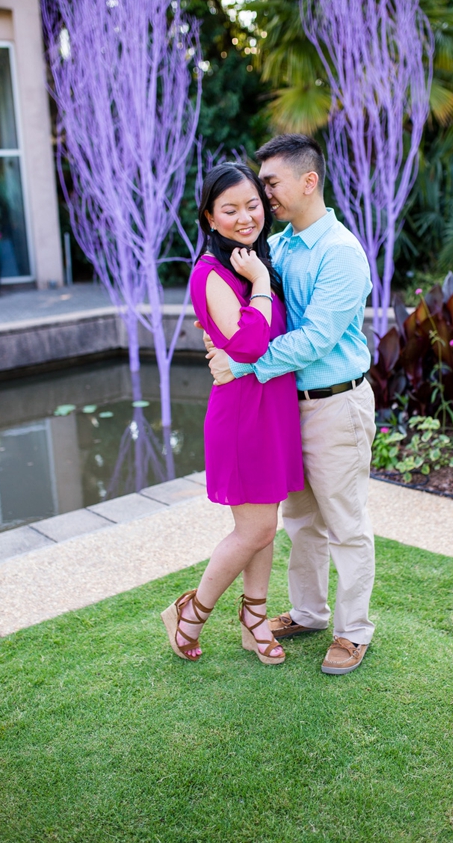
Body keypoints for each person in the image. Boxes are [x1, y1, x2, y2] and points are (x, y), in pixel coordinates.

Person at [204, 134, 376, 676]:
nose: (263, 196)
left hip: (335, 406)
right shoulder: (276, 248)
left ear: (309, 182)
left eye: (270, 185)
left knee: (345, 524)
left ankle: (353, 633)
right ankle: (308, 613)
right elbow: (242, 314)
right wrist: (216, 336)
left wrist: (244, 365)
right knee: (301, 523)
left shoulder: (341, 253)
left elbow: (316, 339)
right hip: (284, 408)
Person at [162, 162, 304, 666]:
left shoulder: (254, 259)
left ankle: (255, 620)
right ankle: (191, 613)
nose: (246, 217)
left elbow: (261, 342)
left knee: (266, 521)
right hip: (244, 416)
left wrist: (261, 278)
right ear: (210, 216)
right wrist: (262, 282)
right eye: (231, 209)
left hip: (273, 408)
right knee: (256, 529)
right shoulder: (212, 271)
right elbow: (248, 339)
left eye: (252, 205)